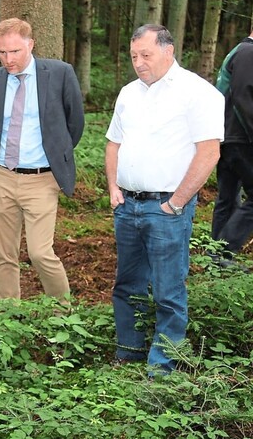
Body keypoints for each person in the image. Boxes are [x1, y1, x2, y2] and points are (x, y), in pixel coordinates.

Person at [105, 24, 223, 376]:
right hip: (127, 206)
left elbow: (209, 152)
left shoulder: (198, 93)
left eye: (146, 55)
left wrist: (176, 202)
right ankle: (128, 352)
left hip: (167, 209)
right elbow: (114, 143)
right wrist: (113, 188)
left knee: (168, 291)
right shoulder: (128, 93)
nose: (139, 63)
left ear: (168, 51)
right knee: (127, 285)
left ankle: (162, 367)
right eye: (133, 56)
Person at [0, 18, 84, 301]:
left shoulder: (60, 73)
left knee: (40, 252)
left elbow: (75, 124)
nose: (8, 59)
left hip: (42, 179)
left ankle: (63, 314)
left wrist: (55, 155)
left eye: (14, 52)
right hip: (2, 177)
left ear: (31, 45)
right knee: (3, 255)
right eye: (2, 52)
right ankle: (8, 315)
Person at [210, 28, 253, 258]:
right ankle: (225, 253)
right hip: (240, 138)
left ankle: (215, 257)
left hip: (226, 137)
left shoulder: (238, 51)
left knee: (227, 198)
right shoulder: (248, 52)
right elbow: (243, 97)